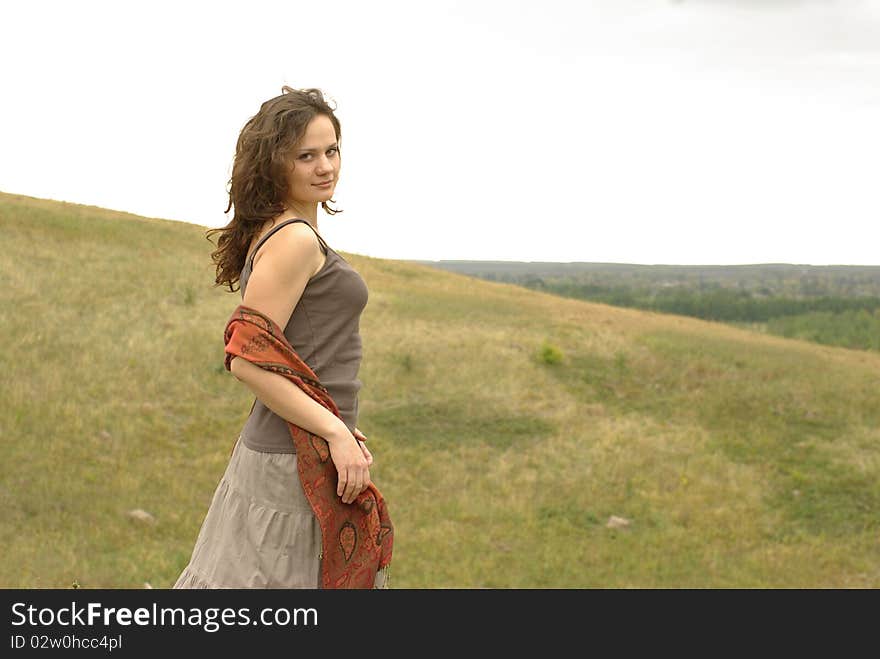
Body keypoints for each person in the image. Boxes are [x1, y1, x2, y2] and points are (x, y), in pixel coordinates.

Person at [173, 86, 391, 589]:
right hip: (287, 462)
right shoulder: (292, 238)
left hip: (301, 450)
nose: (325, 166)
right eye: (305, 156)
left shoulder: (288, 231)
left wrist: (332, 427)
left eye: (331, 150)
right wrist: (335, 431)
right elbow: (246, 360)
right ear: (275, 164)